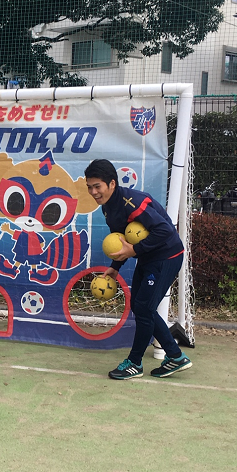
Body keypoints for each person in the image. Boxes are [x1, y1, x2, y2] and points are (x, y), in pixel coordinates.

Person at [83, 159, 192, 380]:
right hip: (148, 257)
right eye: (89, 187)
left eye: (97, 186)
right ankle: (175, 356)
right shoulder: (108, 207)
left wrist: (135, 249)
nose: (93, 192)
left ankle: (134, 363)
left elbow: (165, 231)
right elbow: (121, 240)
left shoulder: (132, 203)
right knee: (141, 307)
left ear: (112, 184)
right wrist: (115, 267)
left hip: (166, 256)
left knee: (144, 308)